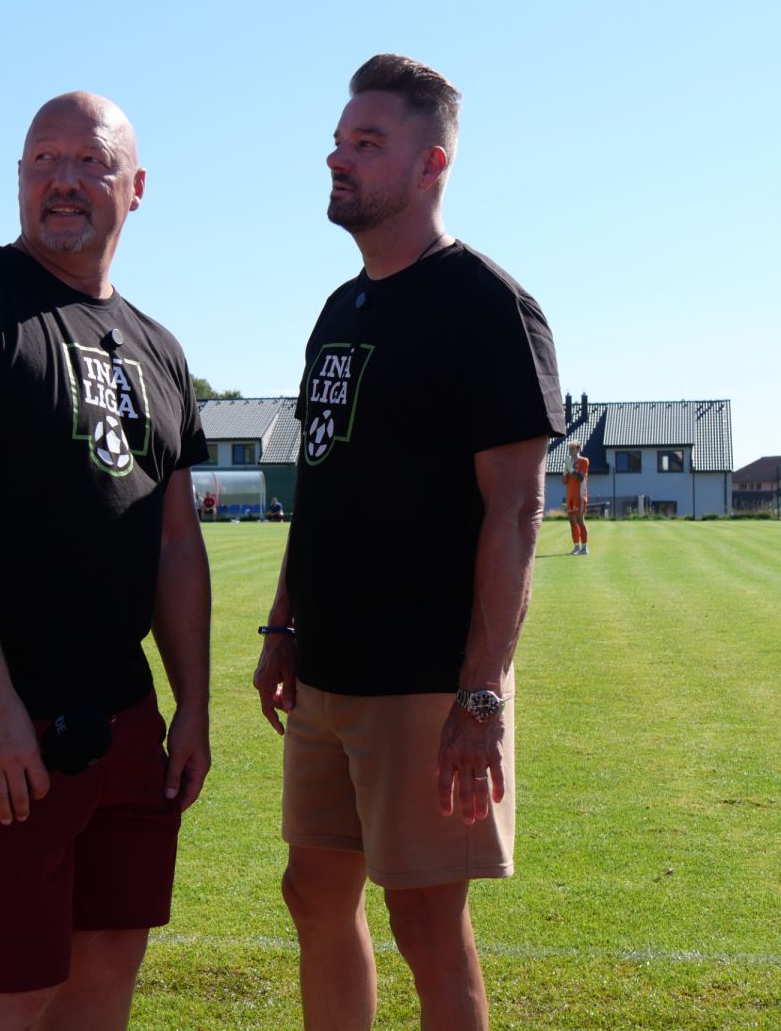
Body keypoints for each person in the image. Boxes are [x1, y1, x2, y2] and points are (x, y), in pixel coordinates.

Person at [0, 91, 212, 1031]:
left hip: (119, 712)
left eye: (90, 161)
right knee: (11, 982)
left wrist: (192, 705)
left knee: (107, 963)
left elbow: (176, 542)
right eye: (43, 160)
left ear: (135, 187)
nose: (64, 179)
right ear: (19, 178)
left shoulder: (159, 348)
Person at [253, 55, 563, 1030]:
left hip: (426, 683)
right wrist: (283, 626)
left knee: (427, 923)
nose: (338, 158)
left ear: (432, 163)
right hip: (327, 671)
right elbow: (322, 483)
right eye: (339, 140)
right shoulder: (340, 311)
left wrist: (481, 694)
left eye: (367, 142)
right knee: (313, 893)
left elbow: (516, 511)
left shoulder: (488, 306)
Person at [565, 439, 590, 555]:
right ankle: (576, 547)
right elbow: (564, 481)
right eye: (569, 448)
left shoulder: (583, 461)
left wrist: (571, 469)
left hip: (579, 495)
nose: (570, 450)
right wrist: (566, 471)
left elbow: (580, 478)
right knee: (572, 522)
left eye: (572, 448)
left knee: (580, 520)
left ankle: (584, 548)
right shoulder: (569, 462)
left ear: (579, 449)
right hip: (570, 495)